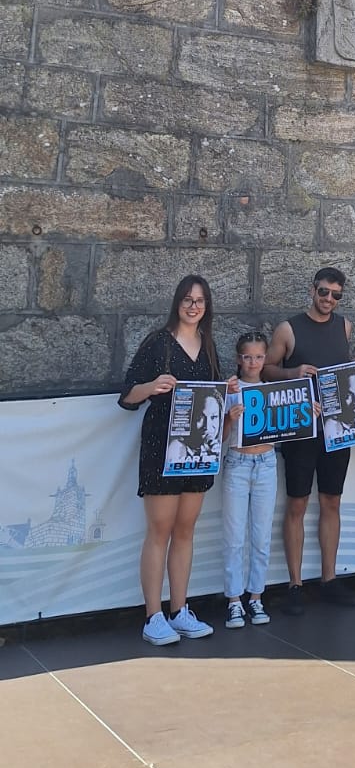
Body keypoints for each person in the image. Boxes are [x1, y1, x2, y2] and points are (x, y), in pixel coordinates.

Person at [118, 275, 224, 645]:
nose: (193, 306)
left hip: (197, 451)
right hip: (161, 448)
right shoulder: (158, 343)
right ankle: (153, 616)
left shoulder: (208, 345)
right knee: (159, 530)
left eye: (200, 300)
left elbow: (215, 393)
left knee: (185, 531)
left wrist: (233, 401)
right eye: (187, 299)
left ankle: (180, 610)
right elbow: (128, 395)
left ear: (206, 306)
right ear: (177, 302)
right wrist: (153, 386)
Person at [263, 267, 355, 612]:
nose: (329, 300)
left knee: (331, 501)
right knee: (297, 504)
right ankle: (294, 585)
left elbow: (342, 367)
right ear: (312, 290)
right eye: (324, 292)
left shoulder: (344, 325)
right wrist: (292, 372)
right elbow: (266, 369)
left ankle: (329, 579)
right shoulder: (288, 329)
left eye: (336, 295)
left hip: (338, 428)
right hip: (302, 429)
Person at [221, 332, 279, 629]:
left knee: (261, 536)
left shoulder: (274, 390)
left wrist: (307, 413)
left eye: (258, 357)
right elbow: (216, 434)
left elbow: (290, 422)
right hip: (238, 462)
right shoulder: (230, 389)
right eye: (247, 356)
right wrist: (229, 417)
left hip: (266, 462)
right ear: (238, 358)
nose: (253, 362)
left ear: (265, 359)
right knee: (234, 537)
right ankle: (233, 600)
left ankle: (256, 597)